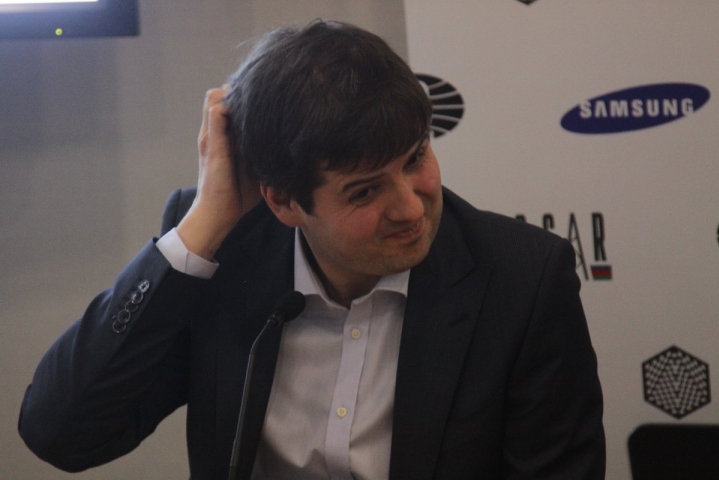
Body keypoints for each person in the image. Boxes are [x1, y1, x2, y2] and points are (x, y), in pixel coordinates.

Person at [19, 20, 605, 479]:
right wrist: (201, 228)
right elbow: (61, 435)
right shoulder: (229, 256)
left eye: (415, 158)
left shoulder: (523, 281)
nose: (410, 207)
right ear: (283, 201)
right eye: (365, 191)